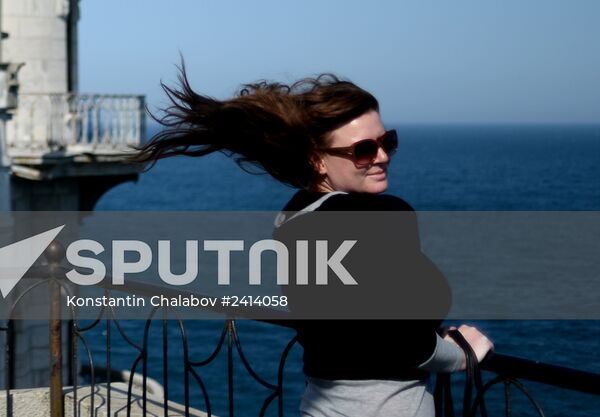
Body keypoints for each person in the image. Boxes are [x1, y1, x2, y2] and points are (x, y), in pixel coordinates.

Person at [135, 68, 492, 417]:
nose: (382, 156)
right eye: (364, 149)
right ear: (317, 159)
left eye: (388, 142)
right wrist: (461, 354)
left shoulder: (293, 219)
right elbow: (406, 341)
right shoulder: (381, 217)